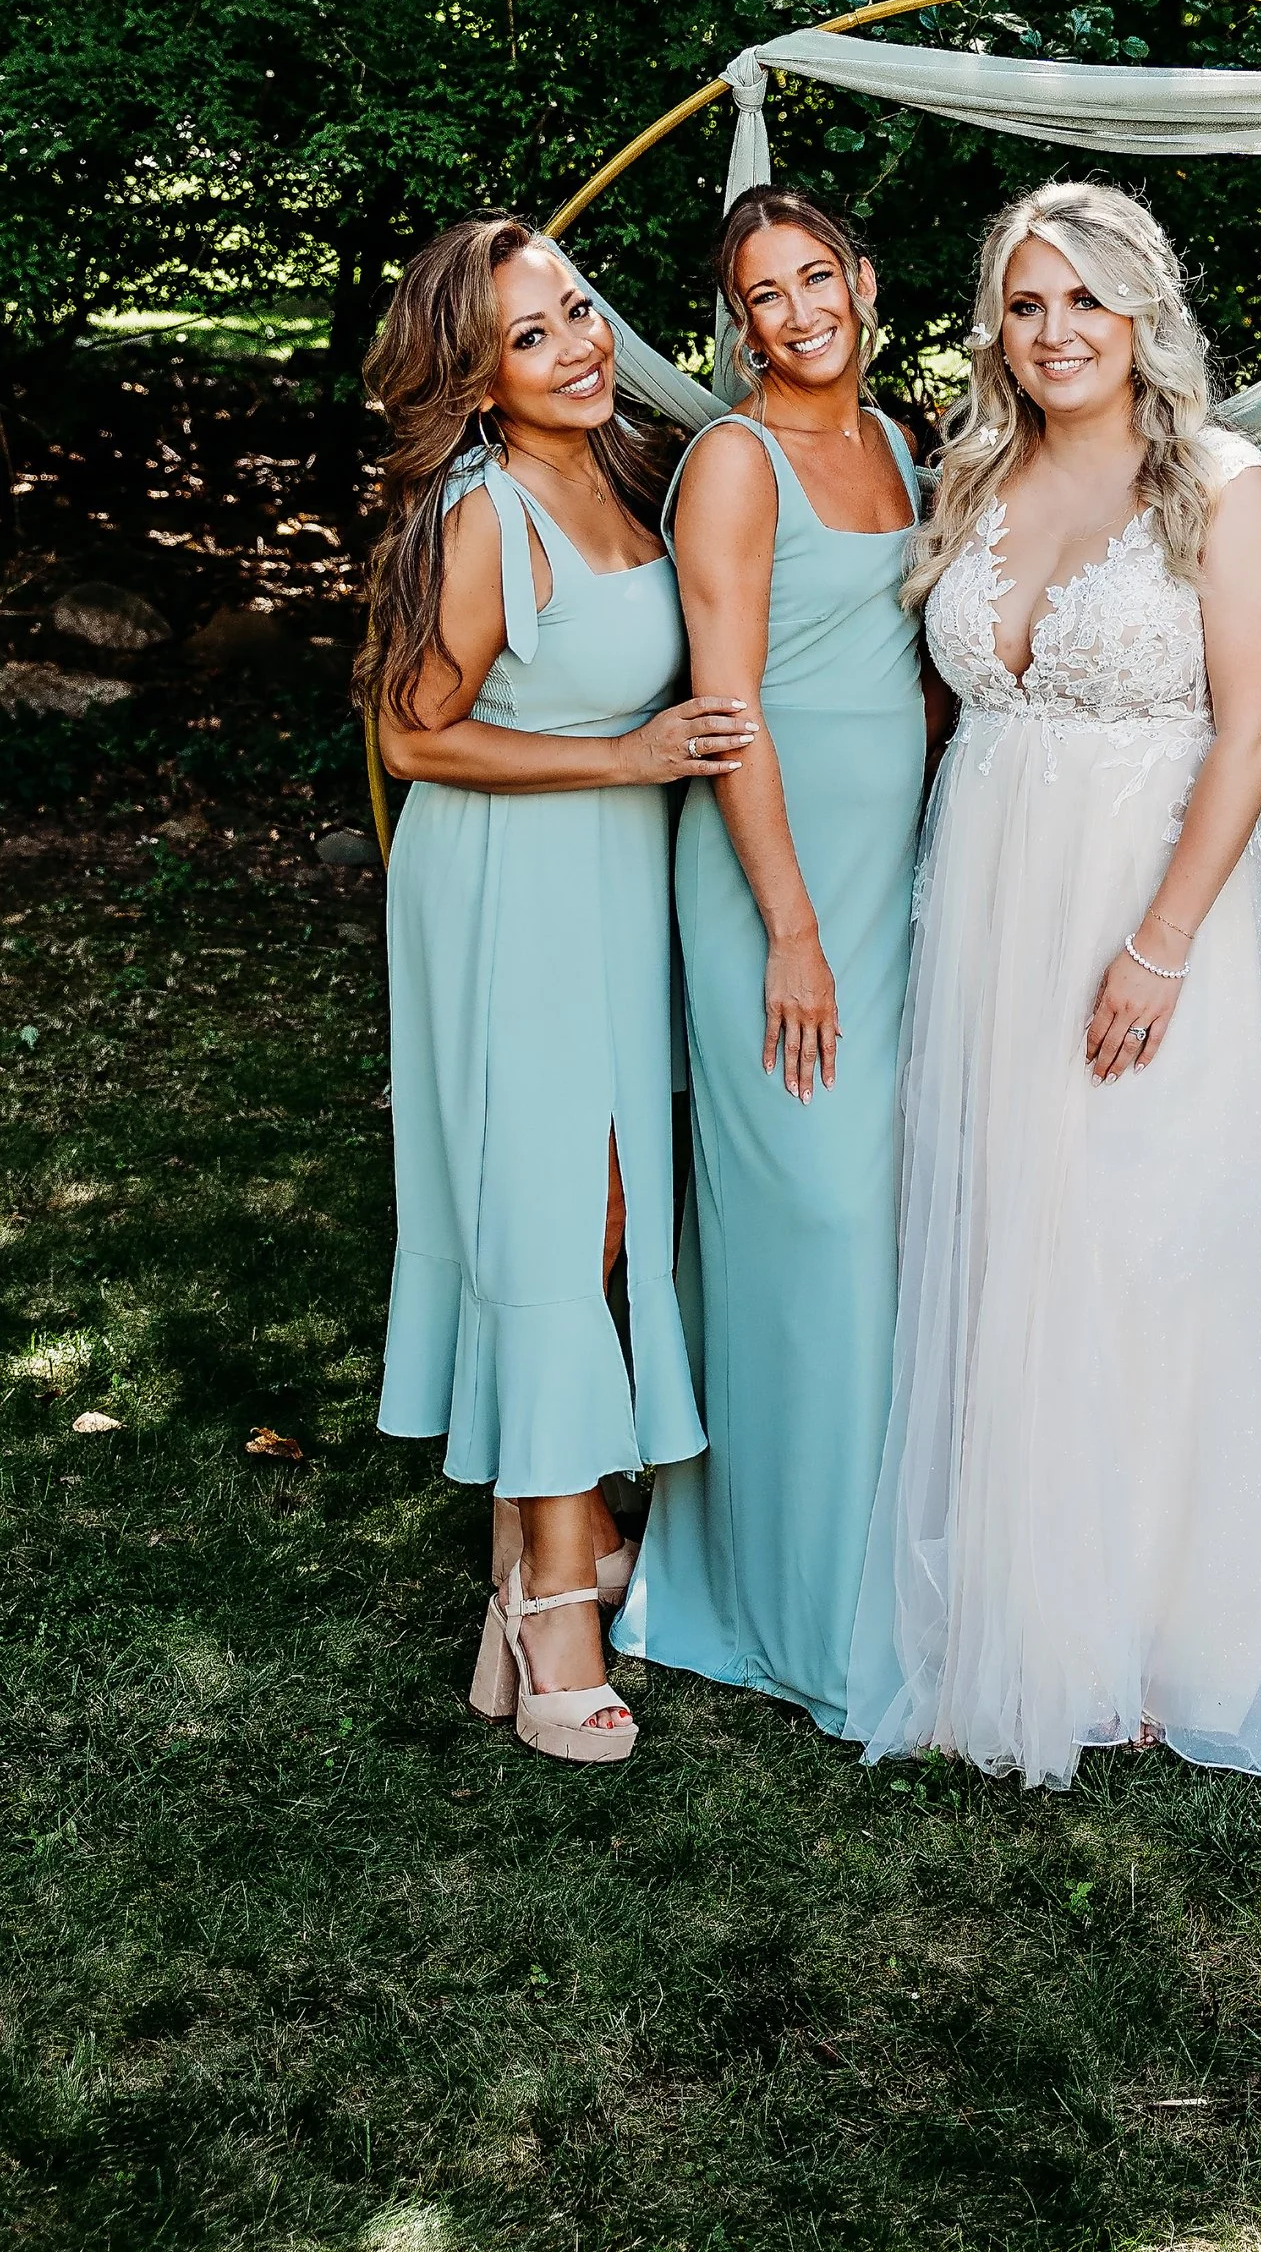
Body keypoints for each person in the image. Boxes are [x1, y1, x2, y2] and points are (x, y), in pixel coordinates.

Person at [847, 180, 1261, 1787]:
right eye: (1026, 304)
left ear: (1144, 313)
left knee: (1152, 1235)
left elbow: (1252, 729)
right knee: (1015, 1216)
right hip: (996, 896)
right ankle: (1031, 1598)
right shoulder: (978, 473)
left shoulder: (1222, 486)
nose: (1055, 332)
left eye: (1085, 299)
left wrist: (1159, 942)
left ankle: (1173, 1619)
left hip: (1157, 897)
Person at [362, 220, 753, 1765]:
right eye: (532, 337)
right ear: (474, 376)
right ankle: (555, 1615)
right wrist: (628, 758)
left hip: (610, 885)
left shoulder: (627, 469)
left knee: (598, 1220)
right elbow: (414, 736)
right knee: (556, 1215)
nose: (579, 346)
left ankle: (540, 1555)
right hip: (509, 881)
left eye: (579, 311)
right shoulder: (483, 510)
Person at [612, 187, 924, 1735]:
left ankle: (881, 1570)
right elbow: (726, 713)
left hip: (896, 878)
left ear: (865, 286)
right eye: (765, 294)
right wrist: (791, 929)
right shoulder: (735, 466)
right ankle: (785, 1601)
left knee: (885, 1233)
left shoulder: (901, 448)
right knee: (814, 1215)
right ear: (738, 323)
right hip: (772, 888)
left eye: (818, 279)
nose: (798, 312)